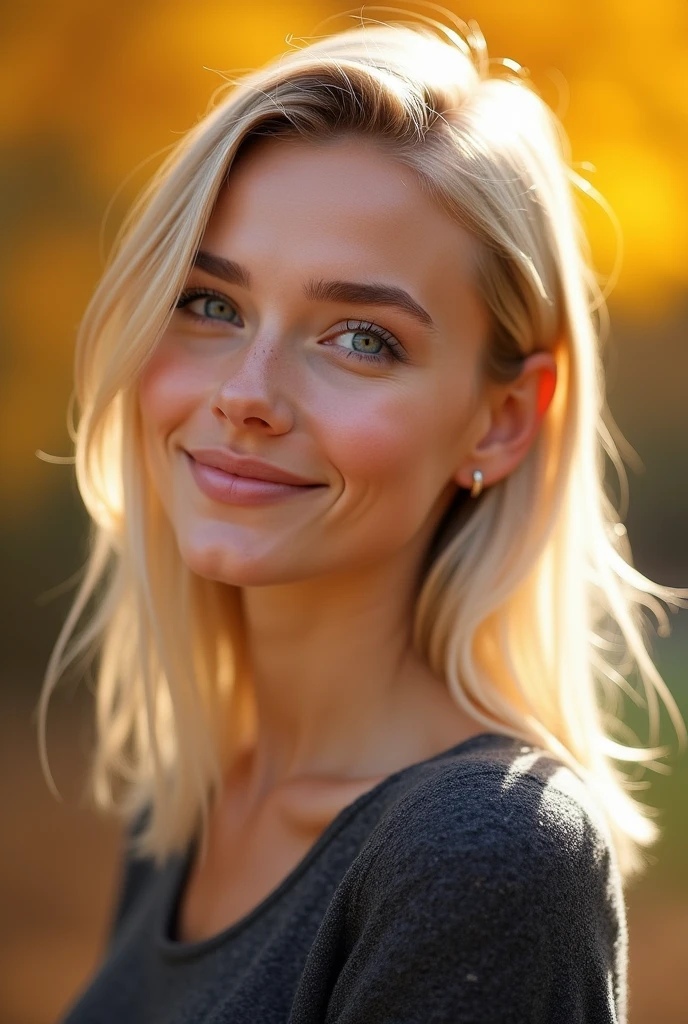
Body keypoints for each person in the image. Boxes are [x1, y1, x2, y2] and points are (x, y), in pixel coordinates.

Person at [40, 10, 686, 1024]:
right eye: (211, 304)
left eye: (359, 338)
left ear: (501, 420)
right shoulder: (196, 797)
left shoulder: (486, 858)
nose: (247, 393)